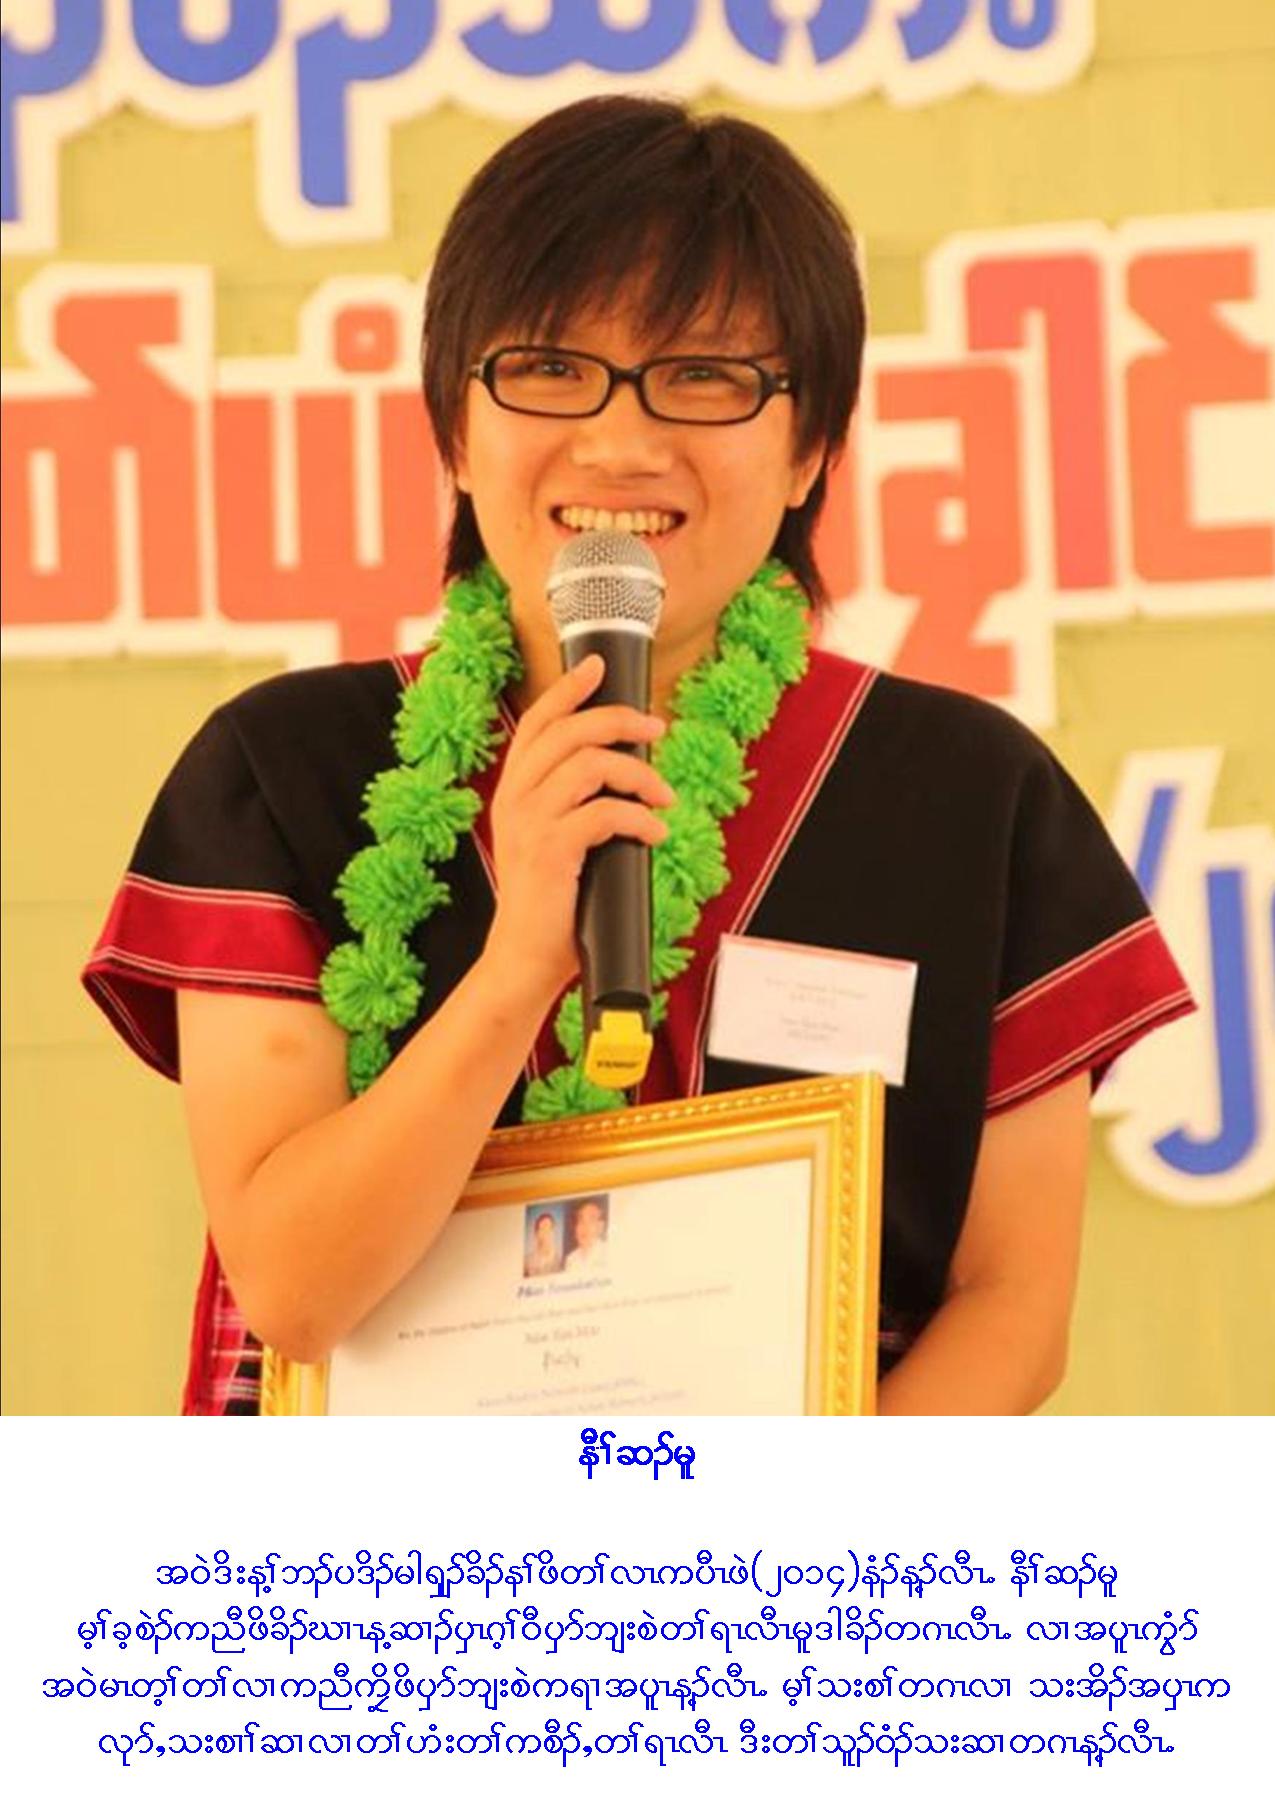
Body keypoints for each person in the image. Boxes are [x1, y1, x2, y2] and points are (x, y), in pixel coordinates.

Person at [84, 96, 1193, 1417]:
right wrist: (518, 969)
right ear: (454, 429)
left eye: (704, 376)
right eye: (550, 368)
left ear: (811, 450)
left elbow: (1012, 1304)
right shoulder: (280, 773)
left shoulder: (972, 796)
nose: (618, 443)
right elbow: (294, 1290)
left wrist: (780, 1540)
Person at [563, 1200, 608, 1276]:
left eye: (591, 1220)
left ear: (601, 1226)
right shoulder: (570, 1259)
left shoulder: (608, 1252)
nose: (584, 1227)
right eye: (581, 1221)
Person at [524, 1212, 562, 1279]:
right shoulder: (527, 1262)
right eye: (543, 1228)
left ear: (553, 1232)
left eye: (550, 1228)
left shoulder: (560, 1261)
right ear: (537, 1234)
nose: (546, 1232)